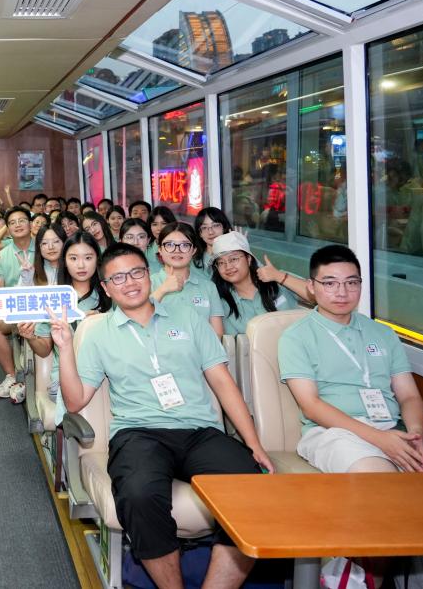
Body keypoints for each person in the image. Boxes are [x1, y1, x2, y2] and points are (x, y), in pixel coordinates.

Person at [58, 242, 273, 589]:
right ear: (106, 288)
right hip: (138, 433)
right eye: (118, 278)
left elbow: (222, 382)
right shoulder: (97, 333)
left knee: (252, 487)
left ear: (149, 274)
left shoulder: (188, 318)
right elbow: (75, 401)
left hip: (199, 431)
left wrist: (254, 444)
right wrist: (66, 348)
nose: (130, 282)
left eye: (136, 272)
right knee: (139, 494)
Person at [279, 245, 423, 474]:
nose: (342, 292)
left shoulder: (383, 333)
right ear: (311, 286)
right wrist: (380, 439)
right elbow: (311, 407)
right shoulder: (296, 337)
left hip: (396, 428)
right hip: (335, 433)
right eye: (330, 283)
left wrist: (416, 435)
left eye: (351, 283)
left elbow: (409, 396)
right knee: (382, 480)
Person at [19, 231, 110, 420]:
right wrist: (31, 337)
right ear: (65, 262)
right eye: (73, 258)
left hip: (109, 374)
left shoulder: (111, 293)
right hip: (65, 380)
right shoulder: (54, 298)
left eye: (88, 257)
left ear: (97, 260)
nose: (81, 265)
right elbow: (44, 350)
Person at [209, 232, 305, 335]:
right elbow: (236, 343)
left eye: (233, 259)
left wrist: (278, 276)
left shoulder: (277, 280)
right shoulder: (224, 305)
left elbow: (313, 295)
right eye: (221, 263)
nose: (228, 267)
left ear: (248, 259)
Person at [0, 206, 34, 403]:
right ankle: (12, 376)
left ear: (31, 224)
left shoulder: (45, 247)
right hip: (15, 310)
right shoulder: (3, 254)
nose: (17, 225)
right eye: (12, 223)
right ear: (7, 228)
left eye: (22, 220)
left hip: (43, 309)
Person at [151, 222, 224, 337]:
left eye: (185, 245)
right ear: (160, 249)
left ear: (193, 250)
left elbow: (217, 333)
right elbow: (139, 321)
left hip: (203, 348)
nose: (177, 250)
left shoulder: (208, 287)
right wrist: (162, 290)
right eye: (169, 245)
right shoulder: (148, 283)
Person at [147, 206, 177, 271]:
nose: (159, 228)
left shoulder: (181, 247)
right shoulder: (146, 250)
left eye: (164, 223)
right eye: (155, 224)